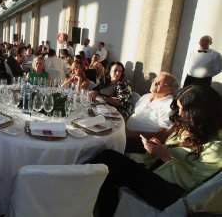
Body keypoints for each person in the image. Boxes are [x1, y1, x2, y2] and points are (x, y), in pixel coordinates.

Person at [90, 85, 222, 217]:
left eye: (183, 109)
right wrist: (156, 149)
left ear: (199, 112)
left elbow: (197, 188)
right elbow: (170, 155)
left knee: (109, 161)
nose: (180, 114)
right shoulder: (189, 129)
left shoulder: (215, 147)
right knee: (108, 166)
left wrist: (165, 157)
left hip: (176, 195)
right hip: (160, 175)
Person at [125, 72, 179, 153]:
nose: (155, 83)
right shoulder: (146, 96)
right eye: (155, 80)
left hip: (143, 142)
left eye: (160, 82)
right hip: (126, 133)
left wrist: (131, 133)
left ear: (171, 89)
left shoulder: (169, 105)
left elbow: (163, 136)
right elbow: (133, 113)